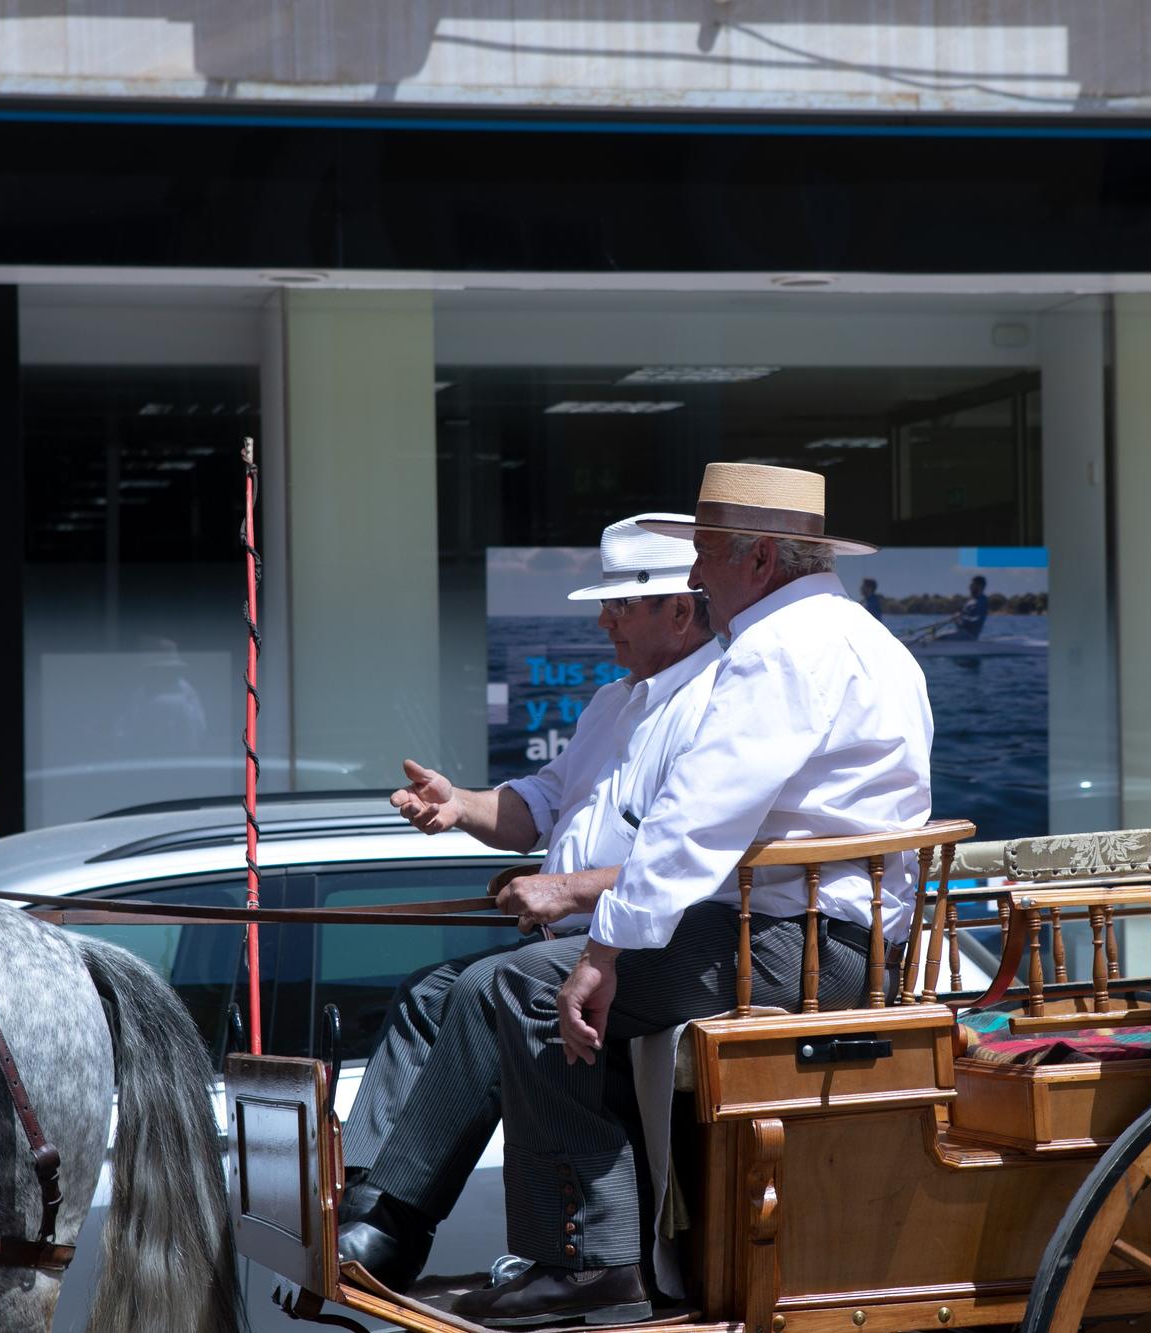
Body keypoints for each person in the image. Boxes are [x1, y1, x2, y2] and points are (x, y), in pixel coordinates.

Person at [454, 462, 933, 1327]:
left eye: (705, 554)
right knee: (531, 977)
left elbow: (694, 818)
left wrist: (604, 949)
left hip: (796, 948)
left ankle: (590, 1260)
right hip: (833, 944)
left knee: (519, 985)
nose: (699, 579)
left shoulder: (779, 651)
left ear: (756, 561)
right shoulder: (867, 639)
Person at [336, 513, 723, 1290]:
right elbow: (545, 800)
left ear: (679, 611)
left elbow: (694, 861)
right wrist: (459, 806)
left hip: (651, 941)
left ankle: (406, 1220)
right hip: (577, 937)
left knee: (490, 988)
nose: (602, 618)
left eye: (620, 603)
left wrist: (566, 887)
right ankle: (370, 1205)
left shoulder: (716, 703)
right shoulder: (614, 702)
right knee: (426, 994)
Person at [937, 574, 990, 641]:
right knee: (936, 636)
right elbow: (962, 621)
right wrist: (957, 619)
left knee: (940, 638)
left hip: (969, 636)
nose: (969, 587)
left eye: (972, 585)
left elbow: (976, 622)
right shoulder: (971, 601)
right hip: (961, 634)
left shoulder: (982, 602)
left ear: (980, 586)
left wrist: (960, 618)